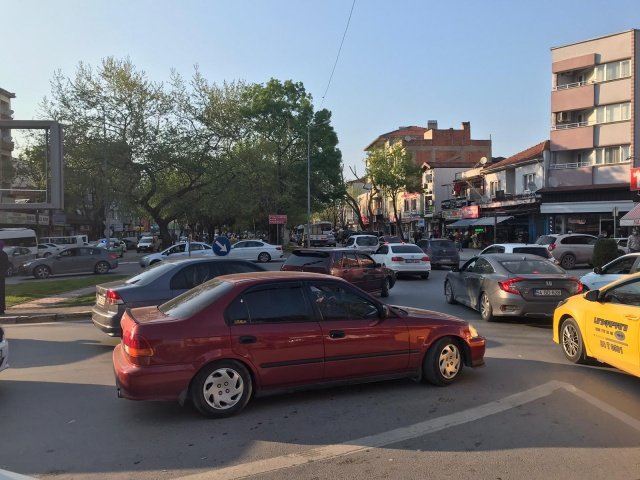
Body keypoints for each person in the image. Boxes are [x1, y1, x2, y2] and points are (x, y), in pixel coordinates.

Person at [0, 241, 8, 315]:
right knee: (2, 293)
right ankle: (2, 309)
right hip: (1, 275)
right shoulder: (4, 254)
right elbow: (7, 265)